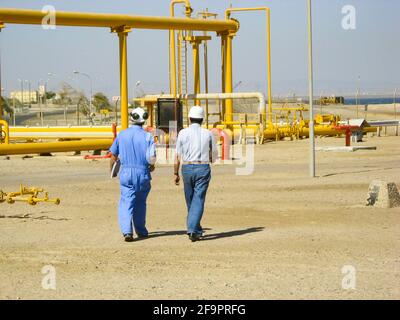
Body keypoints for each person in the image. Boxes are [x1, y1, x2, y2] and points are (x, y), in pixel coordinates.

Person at [109, 107, 156, 242]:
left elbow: (113, 156)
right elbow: (151, 157)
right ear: (144, 120)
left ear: (131, 119)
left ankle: (127, 231)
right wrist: (151, 166)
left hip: (126, 173)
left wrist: (112, 171)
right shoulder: (148, 136)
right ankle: (141, 230)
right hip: (142, 173)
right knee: (141, 202)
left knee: (126, 201)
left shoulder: (122, 135)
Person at [174, 106, 218, 242]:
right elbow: (214, 154)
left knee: (190, 199)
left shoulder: (182, 133)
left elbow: (177, 156)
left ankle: (195, 229)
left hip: (186, 168)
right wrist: (210, 158)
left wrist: (175, 173)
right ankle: (193, 230)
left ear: (189, 118)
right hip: (202, 167)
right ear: (202, 119)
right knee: (198, 199)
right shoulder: (208, 133)